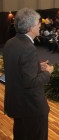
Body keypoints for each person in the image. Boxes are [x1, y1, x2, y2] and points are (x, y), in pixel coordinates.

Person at [3, 8, 54, 140]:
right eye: (38, 23)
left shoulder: (10, 43)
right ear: (31, 27)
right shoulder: (28, 48)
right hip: (31, 108)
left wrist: (37, 66)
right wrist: (48, 72)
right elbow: (30, 82)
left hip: (17, 104)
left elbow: (17, 68)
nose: (40, 26)